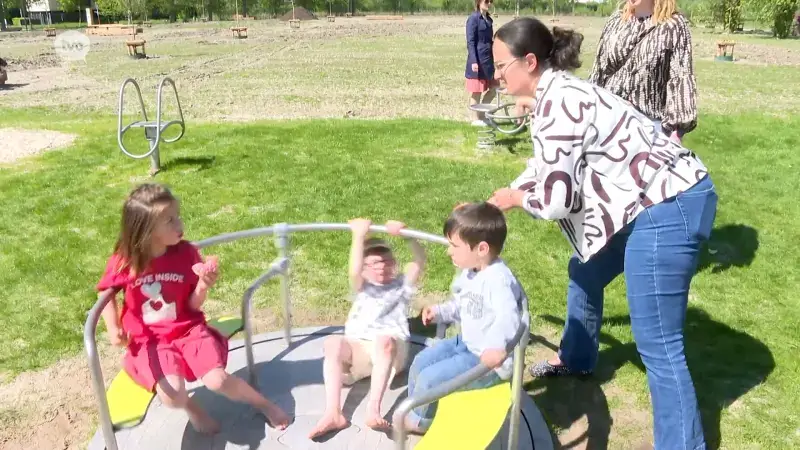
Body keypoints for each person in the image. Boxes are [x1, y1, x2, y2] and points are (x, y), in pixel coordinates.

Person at [487, 17, 717, 450]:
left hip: (669, 203)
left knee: (660, 346)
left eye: (501, 65)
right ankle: (576, 358)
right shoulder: (554, 93)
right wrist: (509, 193)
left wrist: (518, 201)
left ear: (529, 61)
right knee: (587, 270)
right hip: (655, 196)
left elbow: (557, 201)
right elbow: (545, 168)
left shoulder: (557, 105)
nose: (496, 74)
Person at [96, 183, 290, 435]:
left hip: (189, 330)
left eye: (178, 216)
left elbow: (193, 305)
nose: (180, 225)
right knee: (172, 396)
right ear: (145, 229)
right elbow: (105, 292)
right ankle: (192, 407)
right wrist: (113, 328)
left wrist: (202, 285)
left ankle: (263, 404)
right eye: (169, 221)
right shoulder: (126, 260)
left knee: (217, 380)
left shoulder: (186, 253)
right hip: (150, 341)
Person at [402, 202, 526, 434]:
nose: (448, 250)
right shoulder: (472, 272)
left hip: (486, 361)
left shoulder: (499, 280)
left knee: (430, 379)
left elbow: (508, 317)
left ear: (481, 249)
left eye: (454, 245)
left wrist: (498, 348)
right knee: (420, 363)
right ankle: (420, 411)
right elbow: (463, 304)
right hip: (467, 343)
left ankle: (420, 422)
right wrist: (441, 311)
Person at [308, 218, 426, 439]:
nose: (381, 267)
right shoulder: (362, 287)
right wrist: (358, 236)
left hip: (391, 351)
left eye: (386, 262)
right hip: (360, 352)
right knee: (332, 343)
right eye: (373, 264)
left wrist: (406, 235)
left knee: (384, 341)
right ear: (363, 268)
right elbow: (353, 270)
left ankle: (374, 408)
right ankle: (333, 412)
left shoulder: (401, 285)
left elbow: (419, 260)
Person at [587, 0, 698, 145]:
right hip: (608, 126)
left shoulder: (673, 26)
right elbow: (598, 73)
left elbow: (681, 78)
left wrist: (674, 138)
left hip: (648, 132)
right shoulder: (615, 22)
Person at [465, 0, 497, 126]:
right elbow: (470, 42)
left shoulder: (489, 20)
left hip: (488, 60)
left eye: (490, 1)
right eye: (486, 1)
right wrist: (473, 60)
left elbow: (490, 41)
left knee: (494, 89)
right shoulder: (473, 19)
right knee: (476, 91)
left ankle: (482, 116)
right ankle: (474, 119)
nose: (488, 4)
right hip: (477, 60)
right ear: (479, 2)